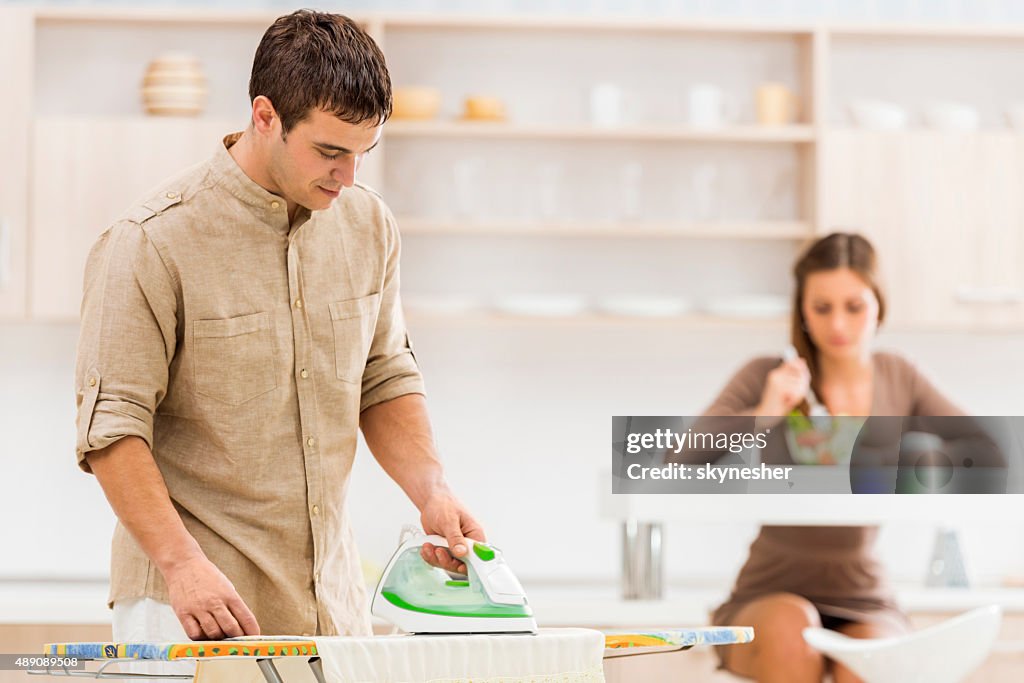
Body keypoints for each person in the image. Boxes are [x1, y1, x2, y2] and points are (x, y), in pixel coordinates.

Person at [74, 10, 482, 642]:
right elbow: (110, 429)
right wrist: (183, 567)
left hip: (331, 608)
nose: (348, 177)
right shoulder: (151, 242)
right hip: (194, 604)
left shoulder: (367, 226)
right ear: (265, 117)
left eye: (361, 154)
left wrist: (431, 489)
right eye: (329, 152)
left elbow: (384, 374)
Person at [686, 233, 976, 682]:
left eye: (854, 307)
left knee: (872, 662)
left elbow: (982, 447)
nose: (838, 324)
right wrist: (766, 412)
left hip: (864, 595)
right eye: (822, 308)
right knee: (792, 633)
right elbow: (678, 459)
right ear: (802, 310)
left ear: (879, 305)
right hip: (769, 591)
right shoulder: (768, 374)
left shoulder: (900, 377)